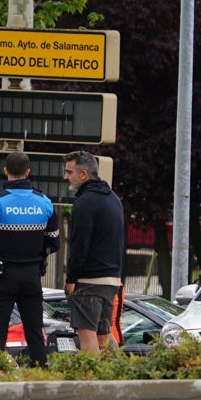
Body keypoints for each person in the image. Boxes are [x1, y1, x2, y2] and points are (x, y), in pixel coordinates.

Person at [0, 151, 60, 366]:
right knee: (34, 328)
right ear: (28, 172)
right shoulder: (45, 203)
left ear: (5, 171)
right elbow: (54, 242)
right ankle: (40, 372)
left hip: (2, 274)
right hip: (32, 274)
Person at [63, 150, 125, 352]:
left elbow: (80, 246)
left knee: (87, 335)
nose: (65, 177)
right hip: (111, 279)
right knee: (104, 335)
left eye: (69, 172)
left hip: (89, 280)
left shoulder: (84, 203)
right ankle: (124, 376)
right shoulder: (113, 199)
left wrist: (71, 279)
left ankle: (90, 381)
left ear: (83, 175)